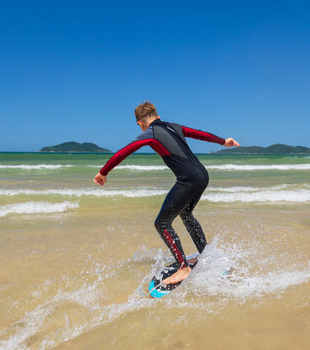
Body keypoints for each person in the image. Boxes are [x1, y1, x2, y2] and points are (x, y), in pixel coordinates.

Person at [93, 101, 240, 285]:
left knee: (162, 223)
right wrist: (223, 141)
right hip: (202, 174)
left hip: (188, 179)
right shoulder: (174, 126)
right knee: (185, 214)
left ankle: (183, 268)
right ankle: (206, 255)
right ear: (158, 116)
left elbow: (124, 151)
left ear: (140, 123)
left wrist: (103, 172)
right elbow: (199, 133)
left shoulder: (150, 133)